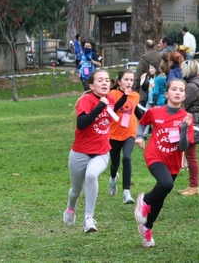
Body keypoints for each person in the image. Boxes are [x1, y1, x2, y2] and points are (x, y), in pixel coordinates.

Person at [134, 78, 194, 247]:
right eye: (174, 89)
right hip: (155, 156)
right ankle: (144, 201)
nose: (177, 92)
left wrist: (183, 129)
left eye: (181, 90)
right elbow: (142, 123)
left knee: (160, 198)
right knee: (165, 183)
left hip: (173, 161)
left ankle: (146, 228)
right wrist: (140, 136)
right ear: (166, 94)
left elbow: (183, 146)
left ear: (184, 96)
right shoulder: (155, 112)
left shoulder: (186, 118)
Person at [63, 70, 120, 233]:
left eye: (107, 80)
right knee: (76, 190)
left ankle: (89, 218)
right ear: (91, 85)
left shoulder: (111, 99)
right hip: (80, 152)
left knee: (92, 175)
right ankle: (70, 208)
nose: (104, 83)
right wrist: (100, 106)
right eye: (100, 80)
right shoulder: (86, 100)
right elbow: (81, 124)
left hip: (101, 151)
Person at [108, 69, 142, 204]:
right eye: (126, 80)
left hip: (130, 131)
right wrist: (124, 96)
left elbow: (136, 112)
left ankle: (126, 192)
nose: (129, 82)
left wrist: (152, 123)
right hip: (114, 133)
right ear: (119, 81)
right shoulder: (112, 94)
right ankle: (112, 178)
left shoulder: (135, 96)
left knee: (127, 158)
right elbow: (113, 110)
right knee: (114, 164)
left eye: (131, 80)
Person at [177, 59, 199, 196]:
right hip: (194, 120)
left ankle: (195, 186)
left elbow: (182, 104)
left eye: (183, 69)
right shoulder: (195, 84)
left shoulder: (192, 86)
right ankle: (192, 185)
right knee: (190, 155)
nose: (181, 71)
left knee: (191, 156)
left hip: (192, 122)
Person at [133, 39, 162, 107]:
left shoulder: (143, 58)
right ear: (154, 46)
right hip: (158, 87)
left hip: (144, 87)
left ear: (145, 47)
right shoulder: (159, 56)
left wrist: (135, 88)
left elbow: (138, 73)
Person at [141, 61, 161, 138]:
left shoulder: (159, 78)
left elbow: (160, 89)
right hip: (149, 100)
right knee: (147, 115)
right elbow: (144, 88)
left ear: (156, 68)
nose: (150, 69)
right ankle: (144, 134)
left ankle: (156, 133)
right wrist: (143, 81)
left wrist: (154, 86)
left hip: (155, 101)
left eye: (152, 68)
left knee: (156, 117)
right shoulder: (149, 77)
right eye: (149, 68)